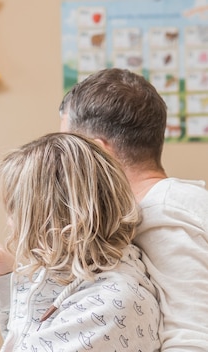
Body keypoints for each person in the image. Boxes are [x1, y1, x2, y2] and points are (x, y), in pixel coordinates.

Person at [0, 132, 161, 351]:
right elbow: (33, 341)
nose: (11, 223)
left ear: (49, 220)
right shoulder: (98, 274)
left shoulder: (109, 306)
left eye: (15, 211)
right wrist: (7, 281)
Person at [59, 68, 208, 350]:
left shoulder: (165, 214)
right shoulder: (169, 203)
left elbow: (193, 338)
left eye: (71, 146)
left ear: (97, 149)